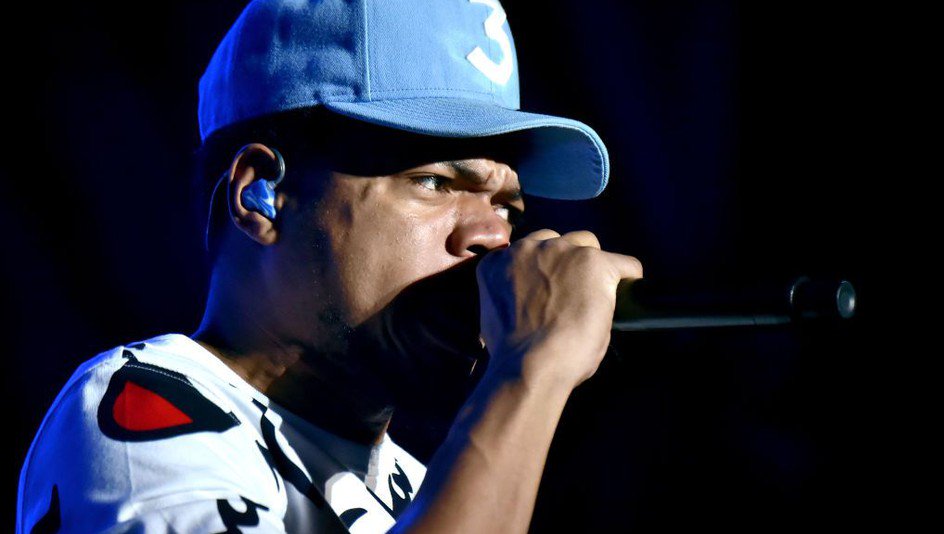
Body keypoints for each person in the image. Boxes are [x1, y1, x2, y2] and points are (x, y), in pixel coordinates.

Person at [17, 0, 643, 532]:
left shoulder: (422, 489)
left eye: (507, 207)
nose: (494, 237)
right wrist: (531, 369)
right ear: (261, 195)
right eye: (433, 182)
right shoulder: (137, 411)